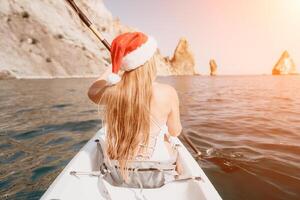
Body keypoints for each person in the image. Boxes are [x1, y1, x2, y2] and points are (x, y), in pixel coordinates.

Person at [88, 32, 182, 179]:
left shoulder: (113, 92)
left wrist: (114, 66)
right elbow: (175, 132)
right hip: (156, 168)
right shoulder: (168, 92)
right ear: (150, 63)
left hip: (119, 167)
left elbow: (92, 91)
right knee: (168, 141)